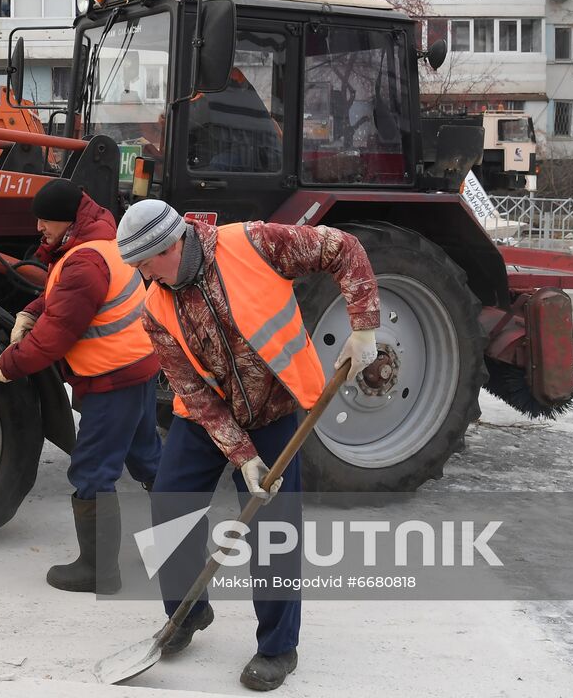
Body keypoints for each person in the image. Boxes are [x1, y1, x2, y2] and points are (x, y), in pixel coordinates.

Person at [115, 199, 380, 692]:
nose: (142, 275)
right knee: (170, 505)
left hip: (275, 410)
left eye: (145, 262)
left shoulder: (254, 243)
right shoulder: (155, 307)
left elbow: (343, 248)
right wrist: (243, 456)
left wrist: (363, 326)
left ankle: (278, 648)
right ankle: (187, 614)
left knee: (273, 528)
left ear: (172, 244)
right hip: (205, 417)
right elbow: (190, 389)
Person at [0, 179, 162, 594]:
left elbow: (54, 338)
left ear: (68, 220)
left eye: (46, 220)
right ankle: (182, 547)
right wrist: (29, 310)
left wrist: (3, 368)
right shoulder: (103, 241)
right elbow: (66, 294)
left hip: (112, 378)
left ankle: (99, 572)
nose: (39, 227)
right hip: (139, 367)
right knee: (148, 459)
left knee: (93, 469)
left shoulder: (83, 262)